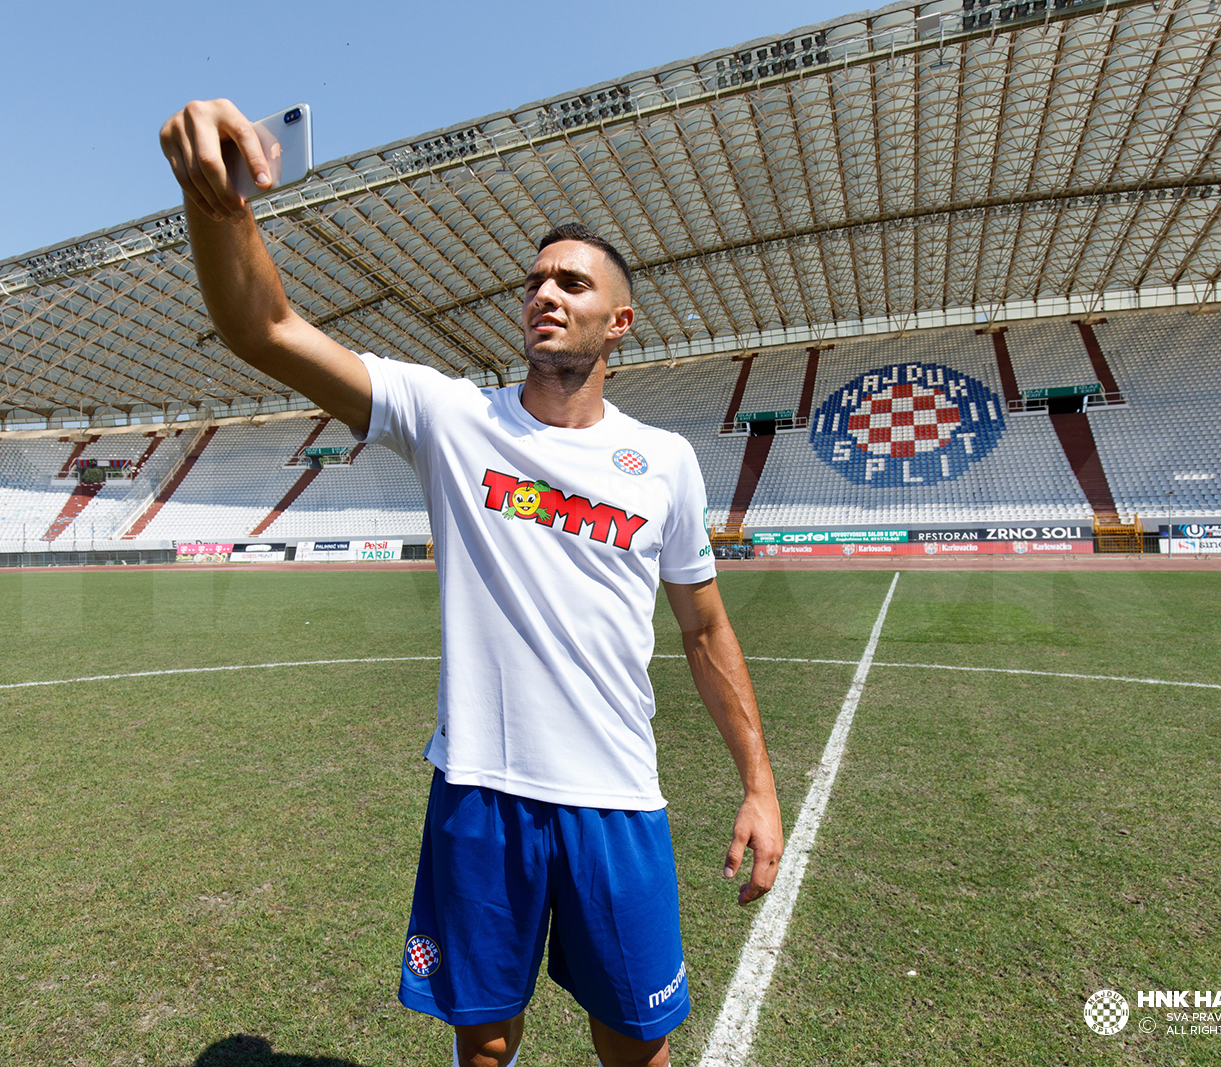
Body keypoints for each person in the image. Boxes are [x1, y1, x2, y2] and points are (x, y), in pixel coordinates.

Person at [160, 99, 784, 1067]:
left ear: (617, 320)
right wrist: (217, 207)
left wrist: (758, 781)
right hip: (479, 793)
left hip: (617, 800)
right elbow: (265, 328)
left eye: (572, 282)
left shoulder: (663, 463)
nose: (545, 291)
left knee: (637, 1047)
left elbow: (704, 631)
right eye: (535, 279)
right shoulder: (452, 419)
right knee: (484, 1044)